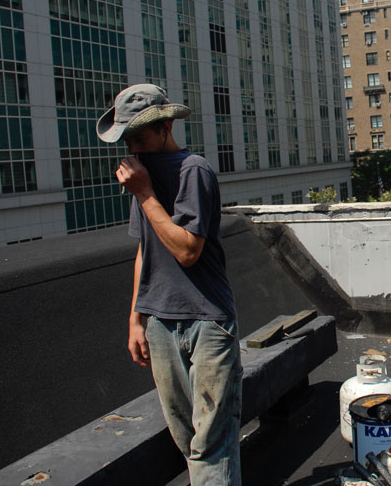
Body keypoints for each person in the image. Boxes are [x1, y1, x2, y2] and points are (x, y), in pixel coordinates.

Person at [96, 83, 242, 485]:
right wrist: (135, 319)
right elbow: (146, 248)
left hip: (206, 319)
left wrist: (144, 193)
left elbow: (187, 251)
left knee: (212, 440)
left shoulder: (192, 169)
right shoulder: (142, 175)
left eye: (140, 137)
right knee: (185, 435)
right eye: (129, 140)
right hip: (160, 318)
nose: (134, 149)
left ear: (165, 126)